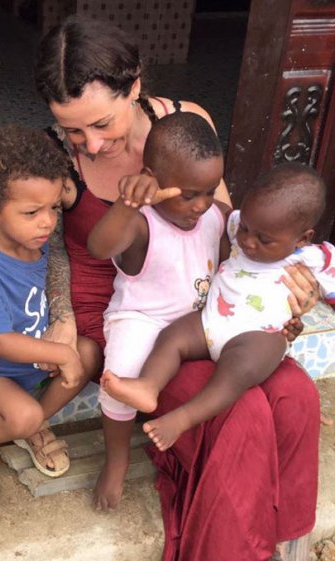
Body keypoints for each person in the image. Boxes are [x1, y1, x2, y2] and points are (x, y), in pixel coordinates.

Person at [35, 16, 321, 561]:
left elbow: (229, 229)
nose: (91, 144)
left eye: (101, 123)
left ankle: (285, 538)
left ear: (135, 87)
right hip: (125, 313)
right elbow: (51, 249)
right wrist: (62, 315)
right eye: (73, 130)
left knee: (295, 395)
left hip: (203, 305)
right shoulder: (53, 156)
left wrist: (275, 296)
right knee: (242, 415)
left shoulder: (187, 125)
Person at [103, 163, 335, 452]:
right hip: (209, 323)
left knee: (238, 371)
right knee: (172, 336)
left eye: (264, 239)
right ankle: (148, 386)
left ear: (302, 237)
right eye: (245, 227)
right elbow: (213, 208)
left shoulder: (315, 259)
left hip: (258, 337)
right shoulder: (238, 223)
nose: (247, 241)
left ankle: (182, 419)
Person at [0, 124, 95, 501]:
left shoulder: (38, 243)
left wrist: (65, 349)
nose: (48, 221)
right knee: (24, 414)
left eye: (53, 208)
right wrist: (61, 353)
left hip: (35, 366)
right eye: (32, 212)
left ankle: (33, 423)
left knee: (90, 354)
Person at [86, 110, 228, 483]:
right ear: (152, 180)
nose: (201, 205)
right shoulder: (141, 223)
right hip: (143, 320)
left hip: (194, 322)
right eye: (189, 195)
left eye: (210, 191)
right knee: (121, 372)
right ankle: (116, 459)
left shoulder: (217, 217)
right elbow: (99, 247)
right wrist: (127, 204)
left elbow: (240, 258)